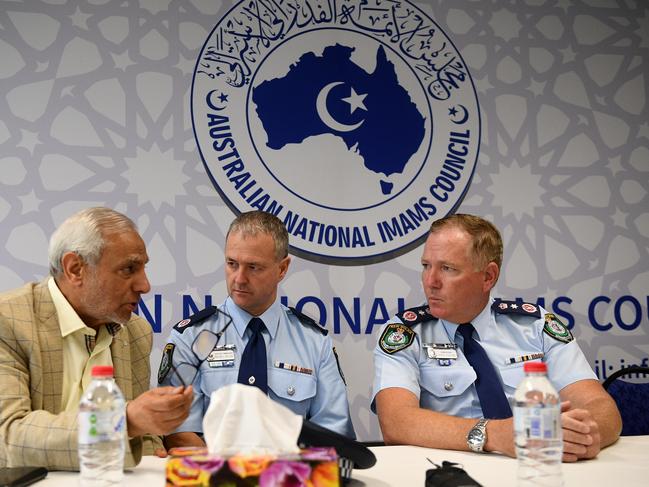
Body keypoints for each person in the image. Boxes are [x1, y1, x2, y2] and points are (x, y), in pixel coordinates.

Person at [372, 214, 621, 462]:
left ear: (488, 277)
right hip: (452, 474)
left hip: (534, 470)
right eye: (426, 266)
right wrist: (494, 435)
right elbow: (396, 423)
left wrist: (582, 436)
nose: (430, 281)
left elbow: (601, 408)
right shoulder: (404, 334)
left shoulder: (535, 326)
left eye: (448, 269)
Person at [0, 207, 193, 470]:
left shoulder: (135, 333)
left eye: (143, 268)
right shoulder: (9, 321)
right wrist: (124, 420)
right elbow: (9, 437)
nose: (144, 285)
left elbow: (143, 440)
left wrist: (156, 444)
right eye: (128, 269)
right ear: (75, 269)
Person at [161, 210, 355, 448]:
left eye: (253, 267)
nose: (239, 278)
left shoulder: (314, 341)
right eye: (232, 264)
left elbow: (334, 434)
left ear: (282, 269)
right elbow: (178, 431)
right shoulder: (192, 337)